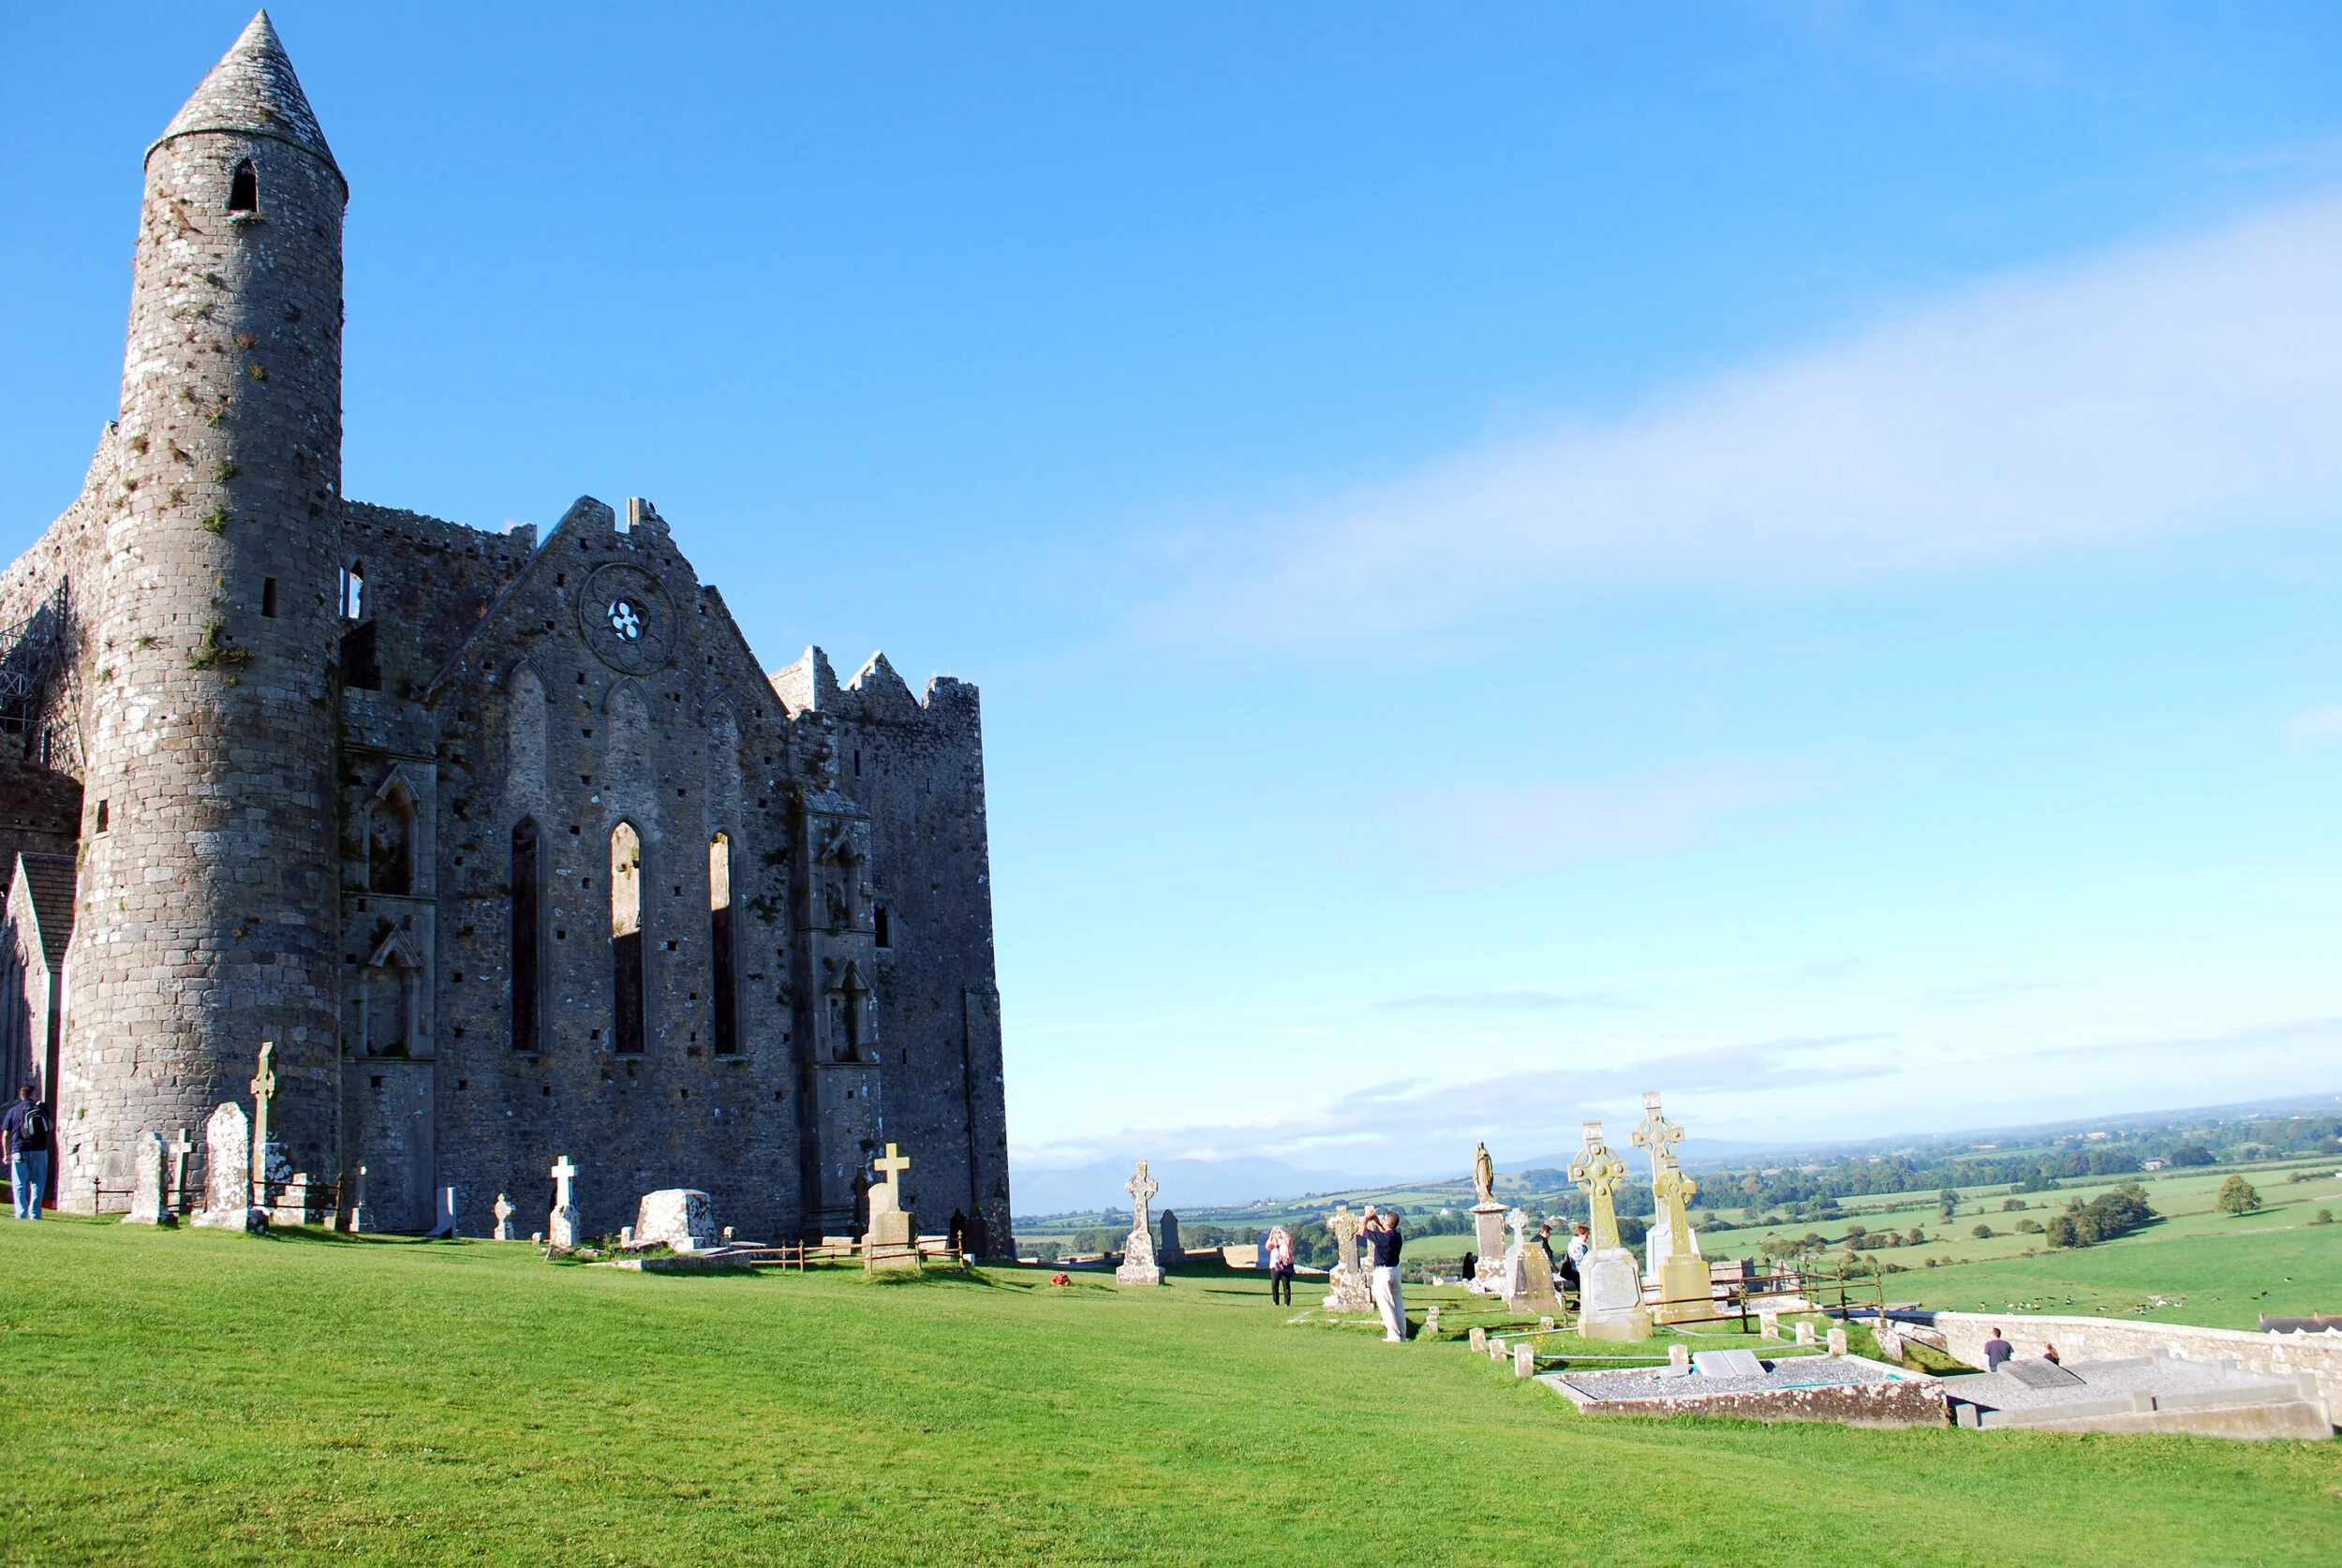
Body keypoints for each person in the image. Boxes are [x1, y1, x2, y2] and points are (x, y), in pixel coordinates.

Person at [4, 1085, 52, 1220]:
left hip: (19, 1150)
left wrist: (6, 1154)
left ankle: (21, 1213)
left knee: (19, 1184)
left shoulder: (13, 1110)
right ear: (32, 1095)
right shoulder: (40, 1108)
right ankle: (35, 1214)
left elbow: (6, 1135)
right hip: (39, 1149)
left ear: (21, 1096)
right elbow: (49, 1126)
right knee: (38, 1183)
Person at [1360, 1206, 1407, 1342]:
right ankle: (1402, 1334)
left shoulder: (1383, 1238)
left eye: (1383, 1219)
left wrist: (1367, 1218)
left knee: (1386, 1304)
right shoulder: (1397, 1236)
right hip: (1395, 1271)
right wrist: (1377, 1222)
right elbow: (1386, 1232)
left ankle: (1393, 1335)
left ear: (1387, 1222)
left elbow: (1361, 1230)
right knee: (1398, 1304)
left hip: (1382, 1272)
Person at [1265, 1225, 1296, 1307]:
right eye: (1276, 1232)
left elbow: (1289, 1240)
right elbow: (1267, 1246)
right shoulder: (1273, 1242)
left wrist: (1281, 1231)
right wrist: (1271, 1234)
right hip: (1275, 1265)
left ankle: (1287, 1302)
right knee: (1274, 1284)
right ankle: (1275, 1301)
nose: (1277, 1233)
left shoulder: (1285, 1241)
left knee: (1286, 1284)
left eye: (1279, 1232)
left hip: (1285, 1264)